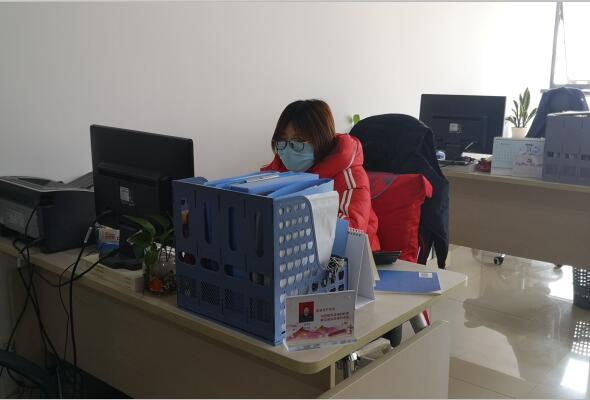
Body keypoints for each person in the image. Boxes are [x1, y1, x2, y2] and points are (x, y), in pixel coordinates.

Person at [262, 99, 380, 251]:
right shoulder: (275, 172)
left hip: (357, 258)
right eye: (282, 140)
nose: (289, 150)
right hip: (294, 254)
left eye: (298, 140)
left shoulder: (351, 176)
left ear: (322, 139)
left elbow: (351, 231)